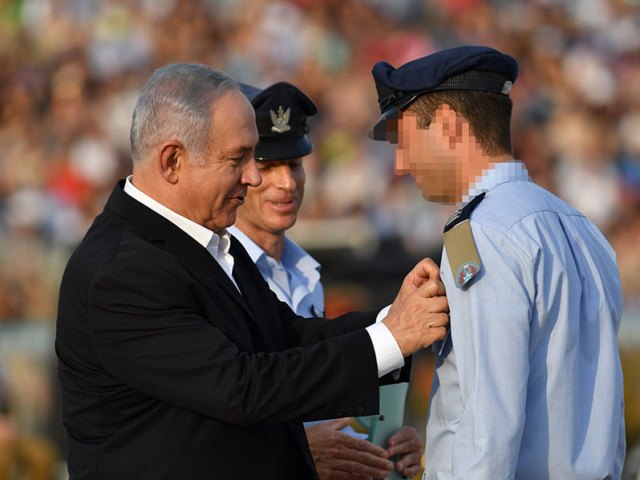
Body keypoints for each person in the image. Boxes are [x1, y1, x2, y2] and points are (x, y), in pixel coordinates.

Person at [55, 63, 450, 480]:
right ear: (172, 161)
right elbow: (243, 388)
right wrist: (391, 338)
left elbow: (283, 337)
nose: (254, 176)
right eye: (238, 158)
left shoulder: (205, 240)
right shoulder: (121, 273)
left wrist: (396, 319)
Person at [369, 45, 626, 479]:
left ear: (448, 125)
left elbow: (486, 420)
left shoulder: (481, 232)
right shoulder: (582, 228)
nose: (400, 163)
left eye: (405, 139)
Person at [229, 80, 423, 479]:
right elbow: (224, 408)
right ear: (240, 173)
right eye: (267, 168)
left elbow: (318, 390)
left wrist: (383, 439)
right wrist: (297, 452)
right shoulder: (219, 273)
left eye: (294, 164)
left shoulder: (305, 272)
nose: (287, 183)